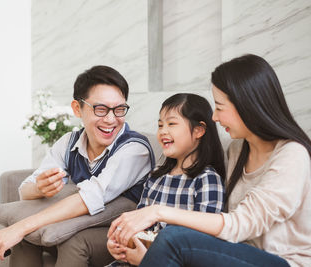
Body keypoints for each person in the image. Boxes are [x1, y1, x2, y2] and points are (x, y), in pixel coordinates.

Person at [109, 54, 311, 267]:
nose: (214, 117)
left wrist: (157, 212)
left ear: (247, 104)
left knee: (174, 238)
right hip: (235, 255)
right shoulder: (237, 150)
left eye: (220, 107)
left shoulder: (292, 155)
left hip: (285, 263)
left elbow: (240, 224)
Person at [0, 65, 155, 264]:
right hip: (82, 224)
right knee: (26, 236)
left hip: (123, 236)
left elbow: (90, 197)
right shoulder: (69, 142)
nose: (110, 119)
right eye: (100, 109)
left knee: (65, 239)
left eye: (119, 109)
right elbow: (25, 192)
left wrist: (18, 228)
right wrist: (39, 188)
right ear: (77, 109)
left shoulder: (134, 149)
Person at [106, 93, 226, 266]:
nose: (163, 131)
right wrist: (120, 243)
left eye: (172, 124)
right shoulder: (156, 177)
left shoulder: (207, 179)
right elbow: (139, 227)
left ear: (199, 130)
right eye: (160, 125)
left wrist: (148, 260)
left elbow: (203, 245)